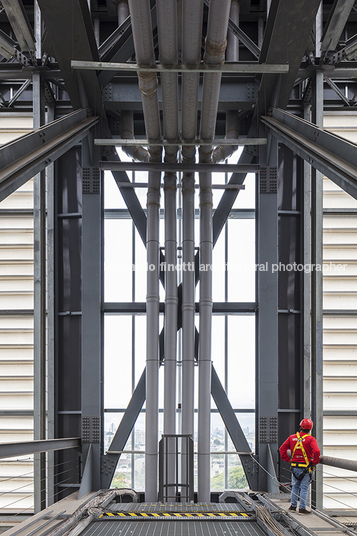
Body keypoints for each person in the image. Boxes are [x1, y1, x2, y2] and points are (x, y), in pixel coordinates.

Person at [280, 418, 320, 514]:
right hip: (306, 468)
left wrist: (287, 459)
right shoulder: (311, 439)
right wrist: (314, 462)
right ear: (310, 429)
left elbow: (282, 449)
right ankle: (302, 508)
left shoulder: (292, 437)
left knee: (295, 486)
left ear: (301, 426)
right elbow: (317, 451)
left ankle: (293, 506)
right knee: (304, 488)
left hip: (294, 467)